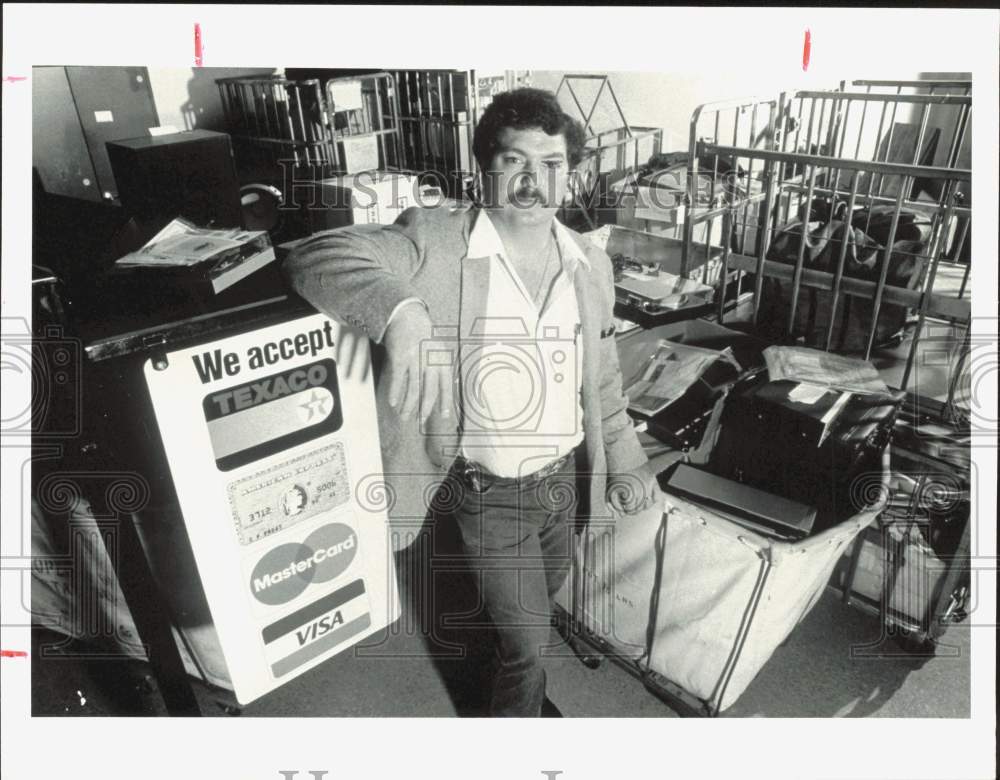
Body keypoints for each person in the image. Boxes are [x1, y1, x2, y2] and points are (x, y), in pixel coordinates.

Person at [284, 87, 659, 717]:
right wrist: (400, 310)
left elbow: (602, 382)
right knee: (530, 642)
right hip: (489, 493)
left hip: (564, 482)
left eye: (551, 164)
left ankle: (515, 689)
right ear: (484, 167)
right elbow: (314, 256)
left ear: (572, 174)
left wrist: (628, 459)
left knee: (536, 610)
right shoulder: (436, 240)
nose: (533, 182)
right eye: (515, 162)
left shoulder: (589, 263)